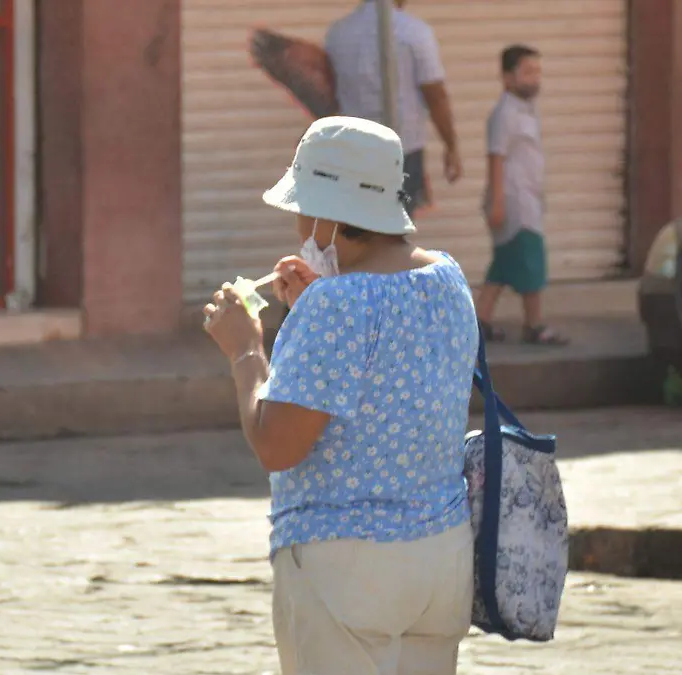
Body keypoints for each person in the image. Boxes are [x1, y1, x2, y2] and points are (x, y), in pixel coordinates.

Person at [202, 116, 479, 674]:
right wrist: (313, 308)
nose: (301, 227)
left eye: (304, 211)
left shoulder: (337, 307)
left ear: (330, 215)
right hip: (441, 557)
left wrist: (245, 351)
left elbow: (277, 445)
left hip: (346, 567)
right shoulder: (448, 279)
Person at [324, 0, 462, 218]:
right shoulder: (414, 32)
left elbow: (329, 94)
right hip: (403, 150)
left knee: (359, 227)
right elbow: (435, 94)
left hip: (354, 149)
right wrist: (451, 145)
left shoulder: (338, 33)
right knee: (396, 229)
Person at [475, 45, 568, 346]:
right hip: (516, 204)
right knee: (530, 263)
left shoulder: (527, 111)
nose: (534, 78)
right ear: (507, 77)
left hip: (528, 200)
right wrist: (498, 201)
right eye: (527, 72)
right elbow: (496, 158)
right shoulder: (504, 114)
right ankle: (534, 324)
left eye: (537, 72)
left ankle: (480, 322)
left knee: (502, 266)